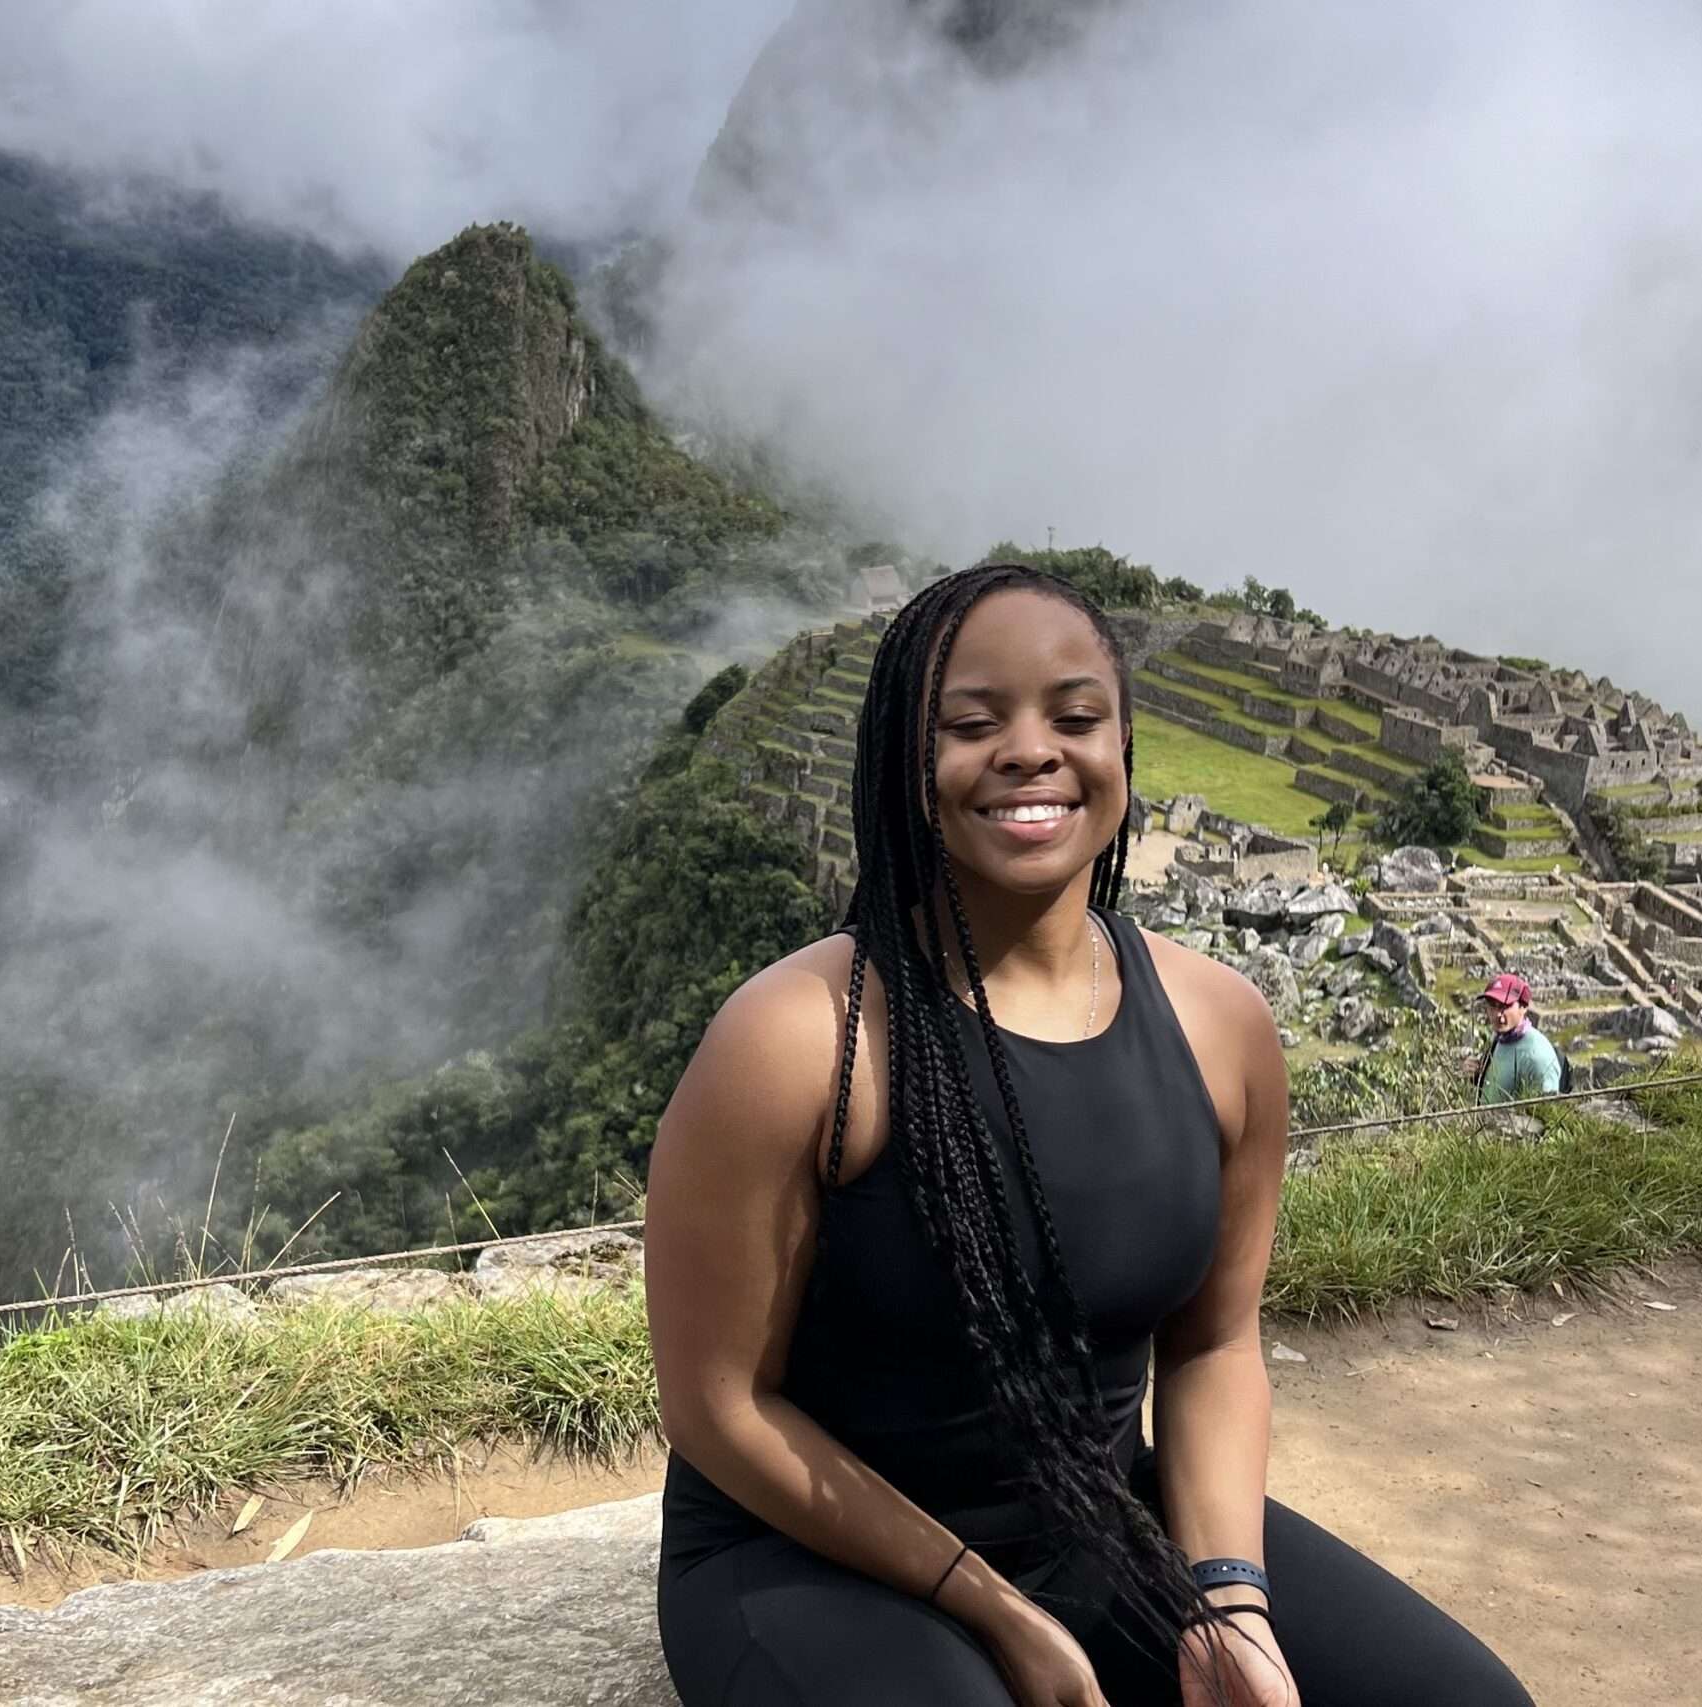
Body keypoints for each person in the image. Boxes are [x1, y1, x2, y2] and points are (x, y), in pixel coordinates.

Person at [643, 562, 1534, 1707]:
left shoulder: (1221, 1027)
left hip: (1103, 1526)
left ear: (1122, 749)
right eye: (971, 724)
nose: (1029, 751)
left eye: (1074, 717)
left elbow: (1213, 1349)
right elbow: (718, 1408)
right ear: (905, 767)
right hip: (809, 1557)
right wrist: (988, 1605)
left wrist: (1228, 1600)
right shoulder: (800, 1040)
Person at [1471, 973, 1561, 1106]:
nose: (1497, 1015)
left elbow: (1545, 1112)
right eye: (1492, 1006)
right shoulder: (1500, 1037)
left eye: (1504, 1006)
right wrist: (1479, 1076)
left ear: (1523, 1007)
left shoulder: (1537, 1057)